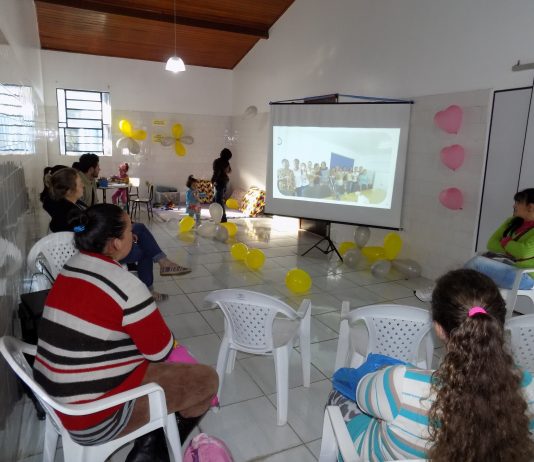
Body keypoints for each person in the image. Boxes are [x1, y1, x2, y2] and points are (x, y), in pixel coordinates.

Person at [33, 204, 219, 461]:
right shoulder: (127, 285)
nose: (136, 236)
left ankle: (151, 438)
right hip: (92, 418)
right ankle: (152, 449)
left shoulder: (71, 267)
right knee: (206, 380)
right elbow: (160, 351)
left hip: (53, 399)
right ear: (117, 243)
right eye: (131, 230)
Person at [329, 269, 534, 461]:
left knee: (340, 395)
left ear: (438, 328)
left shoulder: (400, 383)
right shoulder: (529, 388)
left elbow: (362, 396)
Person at [43, 167, 190, 301]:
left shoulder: (70, 205)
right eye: (80, 183)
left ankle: (163, 263)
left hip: (93, 245)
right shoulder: (67, 213)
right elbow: (86, 232)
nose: (83, 186)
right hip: (94, 254)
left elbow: (91, 227)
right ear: (69, 190)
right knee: (145, 251)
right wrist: (119, 236)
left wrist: (123, 232)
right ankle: (154, 279)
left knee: (138, 228)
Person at [416, 188, 534, 301]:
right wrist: (511, 249)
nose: (514, 205)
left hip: (526, 277)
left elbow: (524, 252)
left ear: (531, 207)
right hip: (508, 266)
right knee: (458, 266)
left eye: (518, 202)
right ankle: (443, 292)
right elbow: (491, 243)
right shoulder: (511, 222)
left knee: (477, 263)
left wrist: (505, 242)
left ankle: (440, 292)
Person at [211, 148, 232, 223]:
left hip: (219, 182)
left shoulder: (217, 161)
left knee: (218, 201)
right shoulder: (226, 162)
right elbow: (229, 171)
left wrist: (213, 181)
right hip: (225, 182)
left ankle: (223, 218)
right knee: (216, 200)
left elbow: (216, 173)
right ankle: (217, 216)